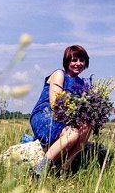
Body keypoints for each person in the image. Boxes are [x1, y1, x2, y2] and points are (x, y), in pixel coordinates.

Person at [30, 45, 92, 177]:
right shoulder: (59, 74)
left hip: (67, 117)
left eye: (81, 60)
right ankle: (39, 170)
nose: (78, 64)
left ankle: (65, 167)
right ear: (67, 61)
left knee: (87, 125)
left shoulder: (82, 84)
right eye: (74, 60)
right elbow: (55, 104)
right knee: (72, 135)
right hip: (46, 114)